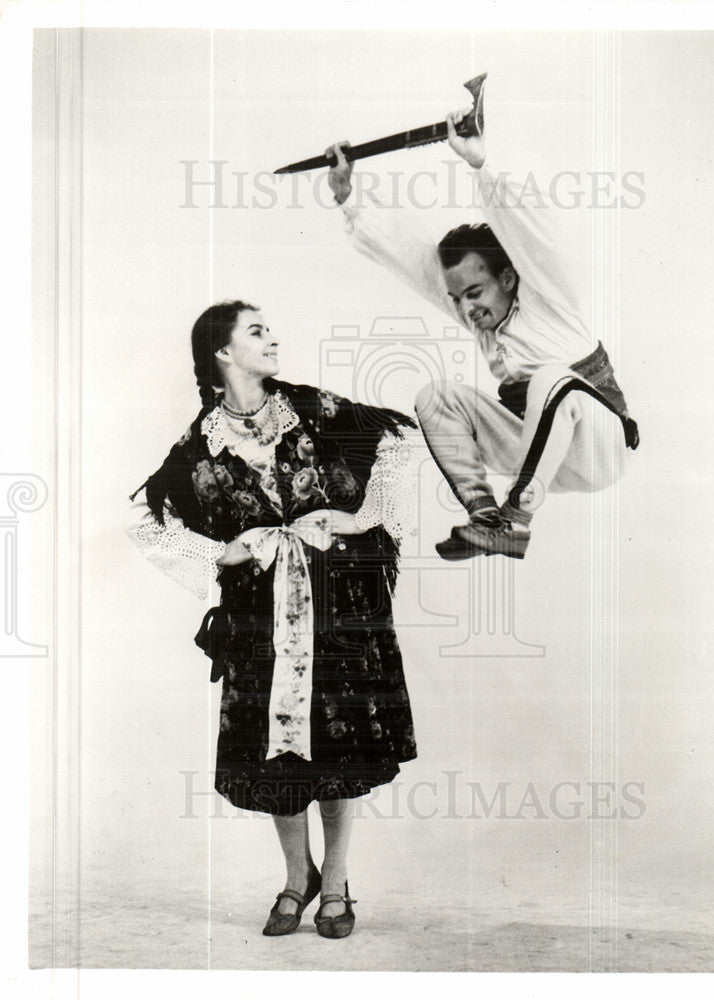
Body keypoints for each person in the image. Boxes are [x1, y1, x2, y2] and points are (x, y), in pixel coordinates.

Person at [127, 300, 417, 939]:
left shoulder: (315, 410)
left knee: (339, 744)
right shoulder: (198, 442)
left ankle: (336, 883)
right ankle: (297, 878)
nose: (273, 339)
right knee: (276, 753)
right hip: (259, 612)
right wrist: (219, 550)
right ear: (222, 352)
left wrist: (361, 517)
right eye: (257, 331)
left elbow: (399, 439)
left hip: (340, 602)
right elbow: (146, 518)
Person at [326, 109, 639, 561]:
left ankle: (515, 518)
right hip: (540, 454)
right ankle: (488, 518)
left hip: (599, 445)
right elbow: (415, 262)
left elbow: (528, 233)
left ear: (509, 279)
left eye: (475, 292)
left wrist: (480, 163)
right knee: (437, 397)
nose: (467, 308)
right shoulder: (480, 315)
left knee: (552, 378)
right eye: (458, 300)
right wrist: (347, 196)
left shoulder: (549, 295)